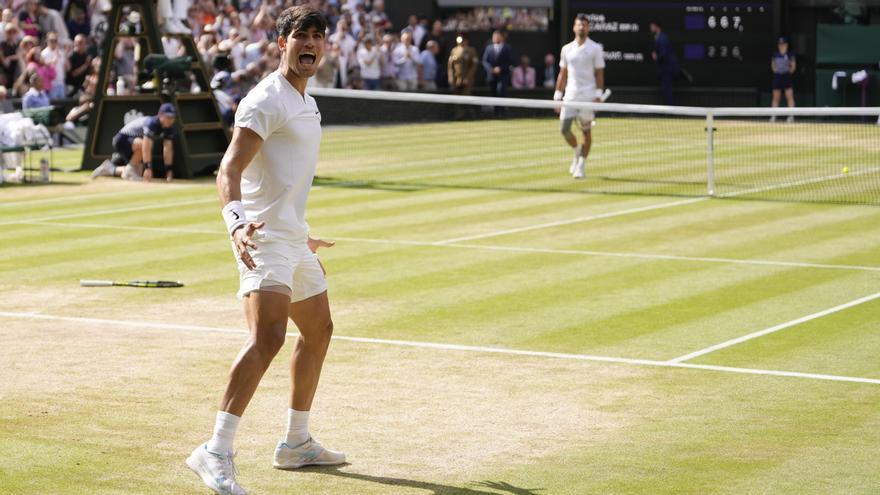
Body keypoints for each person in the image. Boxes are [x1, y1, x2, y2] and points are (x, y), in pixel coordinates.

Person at [186, 7, 344, 495]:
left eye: (318, 36)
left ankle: (296, 442)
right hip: (261, 237)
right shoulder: (266, 100)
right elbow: (228, 170)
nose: (310, 43)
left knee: (318, 330)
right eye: (301, 35)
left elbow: (285, 179)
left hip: (291, 236)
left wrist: (303, 233)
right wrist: (235, 224)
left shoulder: (307, 102)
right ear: (282, 43)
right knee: (268, 337)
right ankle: (214, 450)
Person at [554, 13, 605, 179]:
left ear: (588, 28)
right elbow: (563, 73)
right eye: (579, 25)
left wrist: (598, 94)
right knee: (564, 130)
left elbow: (599, 73)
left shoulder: (595, 49)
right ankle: (577, 152)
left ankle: (581, 164)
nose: (581, 27)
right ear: (574, 27)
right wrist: (557, 95)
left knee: (586, 132)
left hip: (588, 97)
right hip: (570, 96)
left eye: (584, 25)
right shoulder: (566, 49)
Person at [90, 103, 178, 182]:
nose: (170, 120)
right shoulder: (152, 123)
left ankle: (109, 169)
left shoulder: (169, 128)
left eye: (172, 117)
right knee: (145, 145)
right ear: (160, 115)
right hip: (121, 140)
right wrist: (148, 168)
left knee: (136, 173)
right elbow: (146, 146)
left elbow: (168, 149)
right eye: (168, 117)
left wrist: (169, 171)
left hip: (134, 144)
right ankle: (127, 170)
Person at [650, 21, 678, 105]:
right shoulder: (659, 37)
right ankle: (668, 110)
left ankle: (670, 112)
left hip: (666, 69)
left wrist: (656, 57)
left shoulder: (662, 38)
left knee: (667, 90)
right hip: (664, 69)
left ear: (657, 27)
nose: (650, 28)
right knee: (666, 90)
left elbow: (664, 54)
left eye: (652, 26)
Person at [770, 37, 795, 123]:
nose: (782, 46)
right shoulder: (775, 54)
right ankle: (773, 116)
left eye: (783, 44)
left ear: (786, 45)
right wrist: (777, 71)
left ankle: (791, 116)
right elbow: (773, 66)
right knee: (776, 98)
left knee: (789, 97)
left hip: (787, 77)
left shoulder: (790, 54)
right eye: (780, 44)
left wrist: (789, 70)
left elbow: (793, 67)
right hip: (778, 77)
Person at [481, 29, 512, 99]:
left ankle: (501, 109)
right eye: (494, 37)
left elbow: (509, 62)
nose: (496, 38)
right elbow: (484, 61)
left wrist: (500, 68)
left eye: (498, 37)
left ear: (502, 37)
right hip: (492, 76)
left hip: (503, 75)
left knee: (501, 91)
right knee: (493, 93)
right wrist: (491, 69)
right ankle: (495, 109)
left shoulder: (507, 48)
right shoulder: (489, 48)